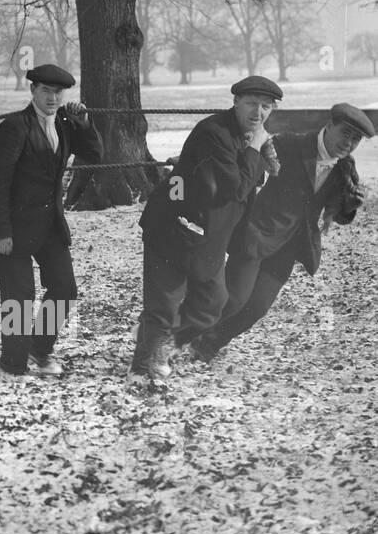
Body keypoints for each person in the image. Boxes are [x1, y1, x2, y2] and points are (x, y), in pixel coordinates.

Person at [192, 103, 372, 361]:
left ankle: (207, 345)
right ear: (330, 125)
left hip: (290, 246)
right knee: (235, 299)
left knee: (257, 307)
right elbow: (244, 164)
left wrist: (349, 205)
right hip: (257, 234)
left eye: (356, 139)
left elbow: (341, 217)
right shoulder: (289, 145)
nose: (349, 143)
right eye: (346, 133)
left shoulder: (345, 166)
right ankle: (180, 334)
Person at [130, 75, 282, 379]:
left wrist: (260, 153)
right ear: (236, 102)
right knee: (165, 301)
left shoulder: (246, 136)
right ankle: (144, 367)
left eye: (266, 107)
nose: (258, 113)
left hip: (209, 236)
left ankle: (159, 339)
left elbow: (248, 181)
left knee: (212, 303)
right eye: (252, 103)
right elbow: (235, 187)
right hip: (173, 228)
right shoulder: (214, 132)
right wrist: (255, 148)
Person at [0, 64, 103, 378]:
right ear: (33, 91)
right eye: (46, 91)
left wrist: (83, 122)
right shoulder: (15, 127)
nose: (52, 98)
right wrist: (0, 230)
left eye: (58, 92)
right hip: (14, 227)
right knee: (19, 298)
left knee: (64, 289)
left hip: (50, 225)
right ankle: (12, 364)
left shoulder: (64, 123)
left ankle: (39, 347)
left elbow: (95, 153)